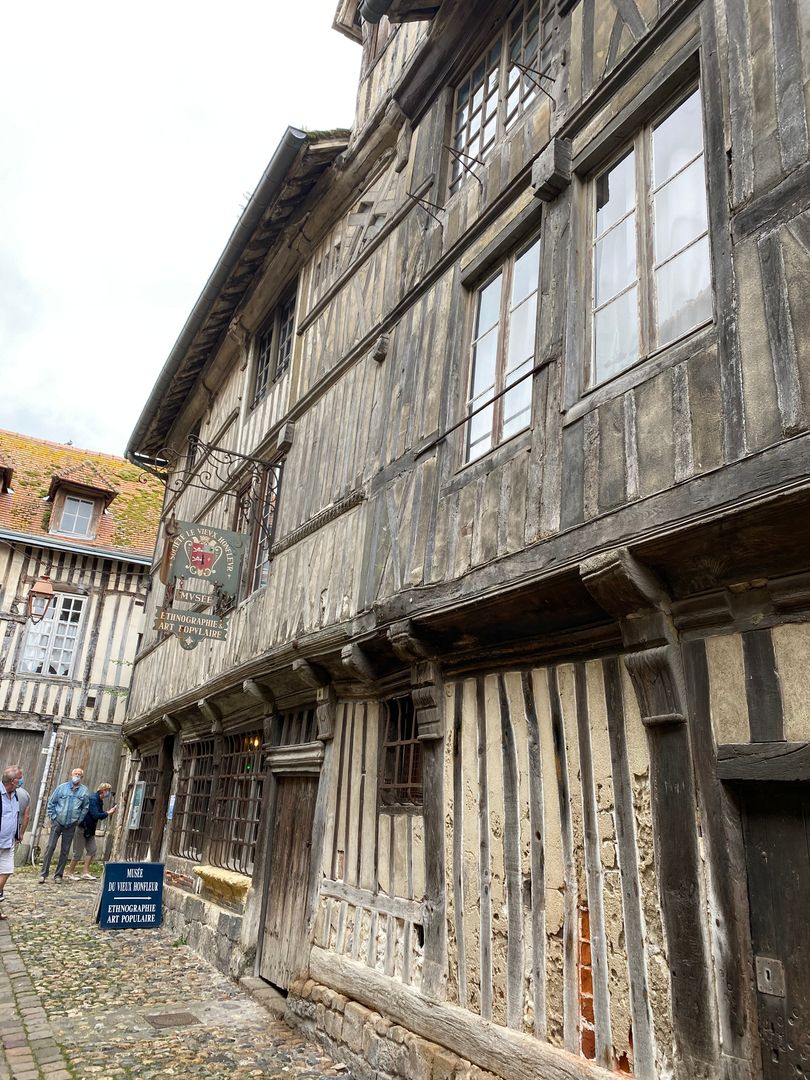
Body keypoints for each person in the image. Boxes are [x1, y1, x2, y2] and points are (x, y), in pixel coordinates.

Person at [39, 767, 90, 884]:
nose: (76, 776)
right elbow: (52, 802)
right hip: (58, 822)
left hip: (71, 824)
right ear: (71, 774)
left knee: (65, 850)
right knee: (50, 847)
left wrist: (79, 820)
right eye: (75, 773)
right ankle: (43, 874)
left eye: (79, 774)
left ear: (81, 777)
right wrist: (53, 817)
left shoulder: (84, 791)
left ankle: (58, 875)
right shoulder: (62, 788)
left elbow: (85, 807)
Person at [68, 783, 116, 880]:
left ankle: (85, 872)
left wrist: (107, 812)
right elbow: (96, 815)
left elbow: (100, 814)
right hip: (82, 827)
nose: (109, 793)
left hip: (90, 829)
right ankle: (70, 872)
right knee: (78, 852)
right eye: (108, 791)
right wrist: (108, 812)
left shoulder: (100, 800)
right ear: (103, 790)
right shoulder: (93, 799)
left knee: (92, 849)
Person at [0, 767, 21, 919]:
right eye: (18, 779)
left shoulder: (15, 796)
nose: (20, 781)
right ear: (12, 782)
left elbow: (16, 815)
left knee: (7, 870)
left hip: (9, 841)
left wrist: (17, 834)